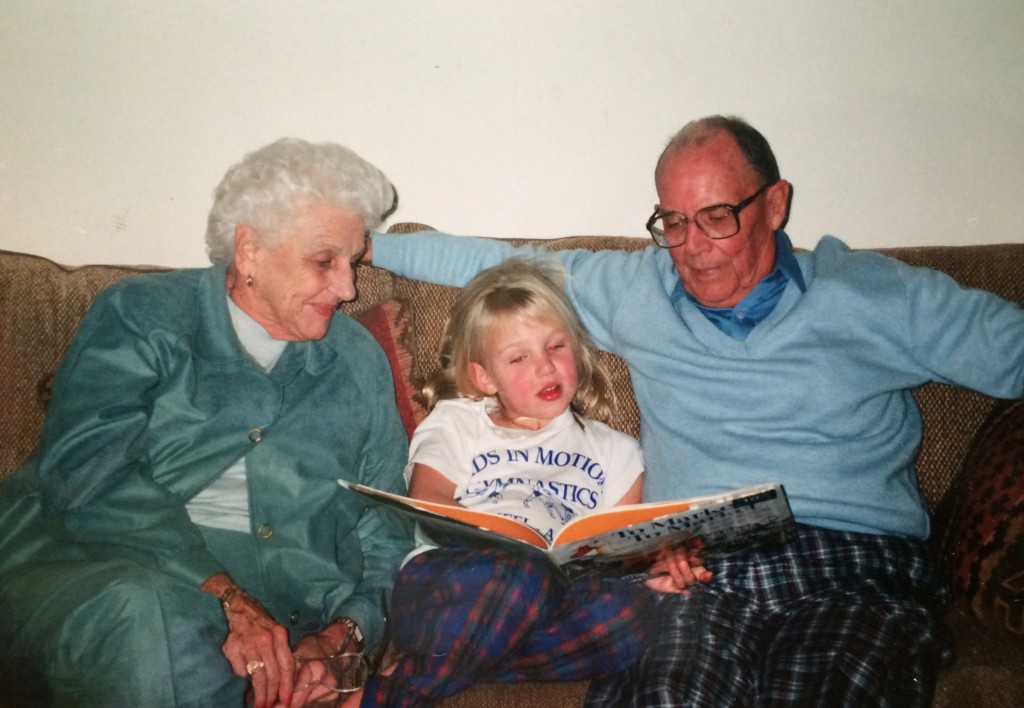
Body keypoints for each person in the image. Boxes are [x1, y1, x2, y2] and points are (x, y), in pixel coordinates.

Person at [363, 115, 1024, 706]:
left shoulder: (875, 294)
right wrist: (362, 247)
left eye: (715, 217)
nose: (692, 248)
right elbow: (496, 263)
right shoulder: (638, 287)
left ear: (774, 204)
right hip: (699, 569)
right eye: (672, 223)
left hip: (851, 568)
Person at [0, 138, 412, 708]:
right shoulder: (140, 315)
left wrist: (341, 639)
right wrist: (226, 597)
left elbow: (386, 530)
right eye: (324, 262)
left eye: (352, 261)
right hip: (95, 581)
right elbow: (84, 474)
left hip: (270, 631)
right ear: (249, 250)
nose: (347, 289)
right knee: (150, 618)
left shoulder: (356, 361)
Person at [361, 260, 707, 706]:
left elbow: (616, 551)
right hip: (450, 584)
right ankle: (390, 696)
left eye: (555, 347)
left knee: (632, 615)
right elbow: (429, 502)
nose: (546, 368)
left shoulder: (616, 450)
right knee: (522, 573)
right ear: (485, 376)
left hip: (550, 597)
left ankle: (451, 662)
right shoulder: (458, 421)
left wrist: (654, 573)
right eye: (520, 357)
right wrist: (510, 545)